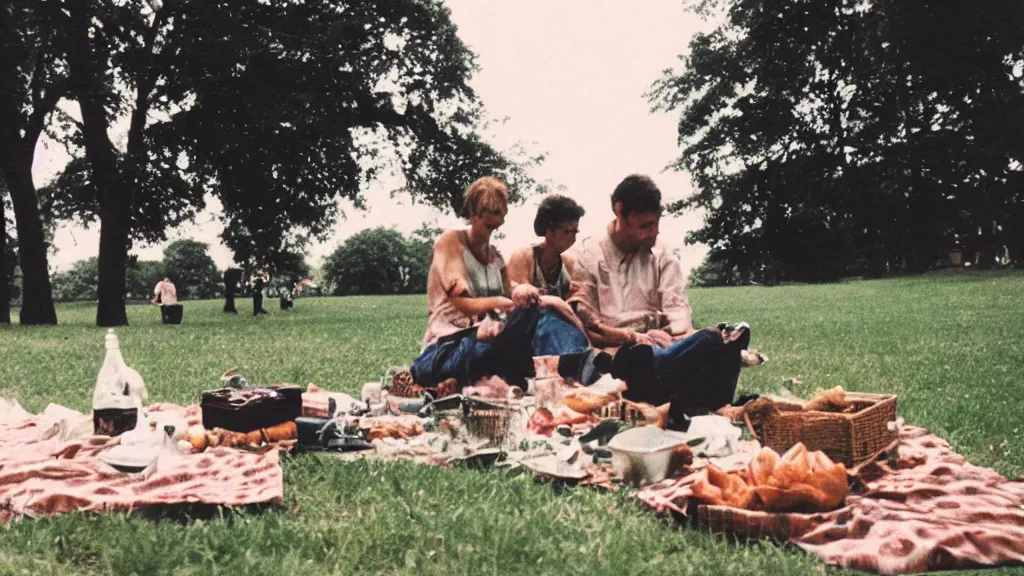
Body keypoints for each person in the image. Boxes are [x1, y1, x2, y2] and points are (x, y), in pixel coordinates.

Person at [568, 174, 752, 424]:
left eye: (656, 224)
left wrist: (675, 339)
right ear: (620, 213)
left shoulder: (662, 254)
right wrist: (633, 337)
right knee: (669, 350)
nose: (653, 233)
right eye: (645, 226)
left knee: (730, 335)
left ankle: (706, 407)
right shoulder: (588, 254)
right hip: (621, 360)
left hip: (666, 349)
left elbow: (677, 312)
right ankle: (697, 404)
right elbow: (584, 324)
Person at [409, 177, 600, 391]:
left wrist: (522, 292)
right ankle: (577, 371)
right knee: (529, 323)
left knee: (537, 311)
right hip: (449, 345)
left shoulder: (495, 257)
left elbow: (511, 296)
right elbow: (462, 302)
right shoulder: (451, 241)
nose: (492, 229)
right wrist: (502, 302)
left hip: (486, 343)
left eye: (497, 221)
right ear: (473, 214)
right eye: (487, 222)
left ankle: (572, 371)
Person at [506, 194, 610, 382]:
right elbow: (518, 305)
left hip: (558, 332)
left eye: (575, 232)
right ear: (550, 231)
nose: (572, 238)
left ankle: (582, 364)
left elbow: (580, 307)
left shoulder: (569, 265)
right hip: (523, 336)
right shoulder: (524, 257)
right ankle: (575, 366)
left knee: (573, 323)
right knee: (548, 317)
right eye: (567, 231)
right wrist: (555, 302)